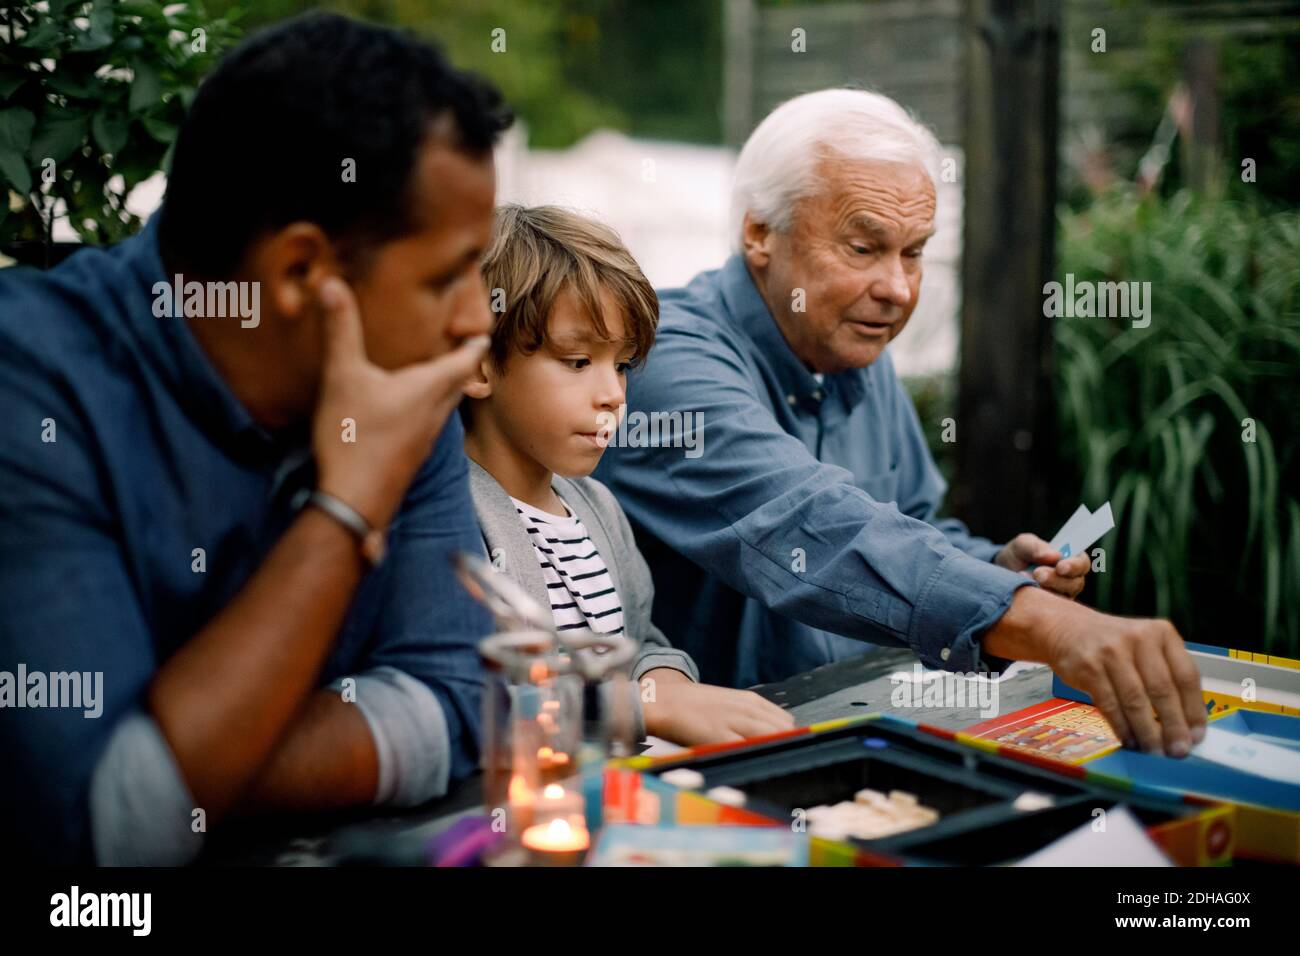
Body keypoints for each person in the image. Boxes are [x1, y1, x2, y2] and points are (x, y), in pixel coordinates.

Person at [0, 13, 510, 864]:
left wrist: (189, 760)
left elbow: (461, 705)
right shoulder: (33, 389)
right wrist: (348, 510)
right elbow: (106, 835)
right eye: (447, 275)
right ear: (302, 271)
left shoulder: (395, 377)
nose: (477, 320)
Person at [594, 89, 1206, 759]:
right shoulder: (661, 361)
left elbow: (908, 522)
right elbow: (815, 527)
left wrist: (996, 568)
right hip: (703, 779)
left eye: (914, 252)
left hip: (856, 738)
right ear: (759, 232)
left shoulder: (850, 340)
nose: (899, 289)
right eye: (863, 247)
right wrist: (1040, 621)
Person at [462, 205, 794, 746]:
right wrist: (644, 705)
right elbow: (482, 692)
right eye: (576, 362)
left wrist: (663, 682)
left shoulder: (598, 509)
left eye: (621, 364)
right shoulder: (453, 519)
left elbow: (639, 642)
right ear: (479, 364)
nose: (613, 395)